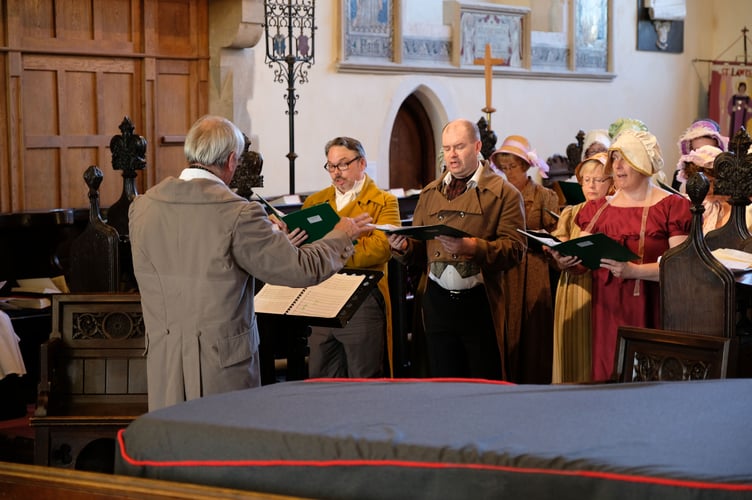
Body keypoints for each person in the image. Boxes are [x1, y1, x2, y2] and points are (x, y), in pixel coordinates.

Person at [129, 115, 373, 411]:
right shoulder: (238, 213)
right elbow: (300, 268)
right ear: (232, 160)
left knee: (172, 446)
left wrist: (272, 240)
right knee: (225, 448)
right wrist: (341, 236)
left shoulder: (143, 207)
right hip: (221, 365)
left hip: (163, 360)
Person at [388, 119, 526, 380]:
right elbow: (419, 250)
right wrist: (404, 247)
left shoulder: (505, 193)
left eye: (459, 147)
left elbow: (515, 250)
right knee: (443, 381)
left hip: (480, 301)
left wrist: (474, 248)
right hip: (436, 301)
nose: (451, 155)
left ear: (476, 147)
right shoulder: (430, 193)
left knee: (482, 383)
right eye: (447, 148)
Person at [551, 129, 691, 382]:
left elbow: (681, 269)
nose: (617, 167)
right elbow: (581, 255)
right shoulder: (598, 208)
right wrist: (566, 261)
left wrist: (635, 271)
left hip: (653, 308)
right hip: (607, 310)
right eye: (615, 159)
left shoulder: (672, 206)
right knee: (609, 377)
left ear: (643, 162)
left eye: (625, 159)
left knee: (647, 381)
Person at [301, 137, 400, 378]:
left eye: (343, 164)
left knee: (363, 378)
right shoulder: (315, 202)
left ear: (362, 163)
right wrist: (347, 241)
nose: (336, 173)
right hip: (322, 298)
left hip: (362, 298)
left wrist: (327, 249)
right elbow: (304, 248)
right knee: (322, 377)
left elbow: (380, 248)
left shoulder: (384, 201)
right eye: (331, 166)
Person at [490, 135, 559, 384]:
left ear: (526, 167)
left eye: (514, 168)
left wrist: (544, 238)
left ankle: (534, 383)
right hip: (505, 270)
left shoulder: (544, 196)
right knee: (505, 326)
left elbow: (556, 234)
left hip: (533, 270)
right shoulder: (497, 195)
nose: (509, 173)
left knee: (533, 330)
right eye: (504, 168)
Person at [548, 152, 612, 383]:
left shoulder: (615, 211)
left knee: (594, 348)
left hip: (600, 287)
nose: (591, 185)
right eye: (586, 180)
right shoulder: (571, 212)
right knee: (570, 345)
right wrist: (557, 257)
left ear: (612, 182)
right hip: (572, 286)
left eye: (598, 179)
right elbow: (559, 240)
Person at [676, 145, 727, 234]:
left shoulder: (730, 206)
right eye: (700, 183)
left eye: (711, 182)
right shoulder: (692, 204)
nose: (707, 189)